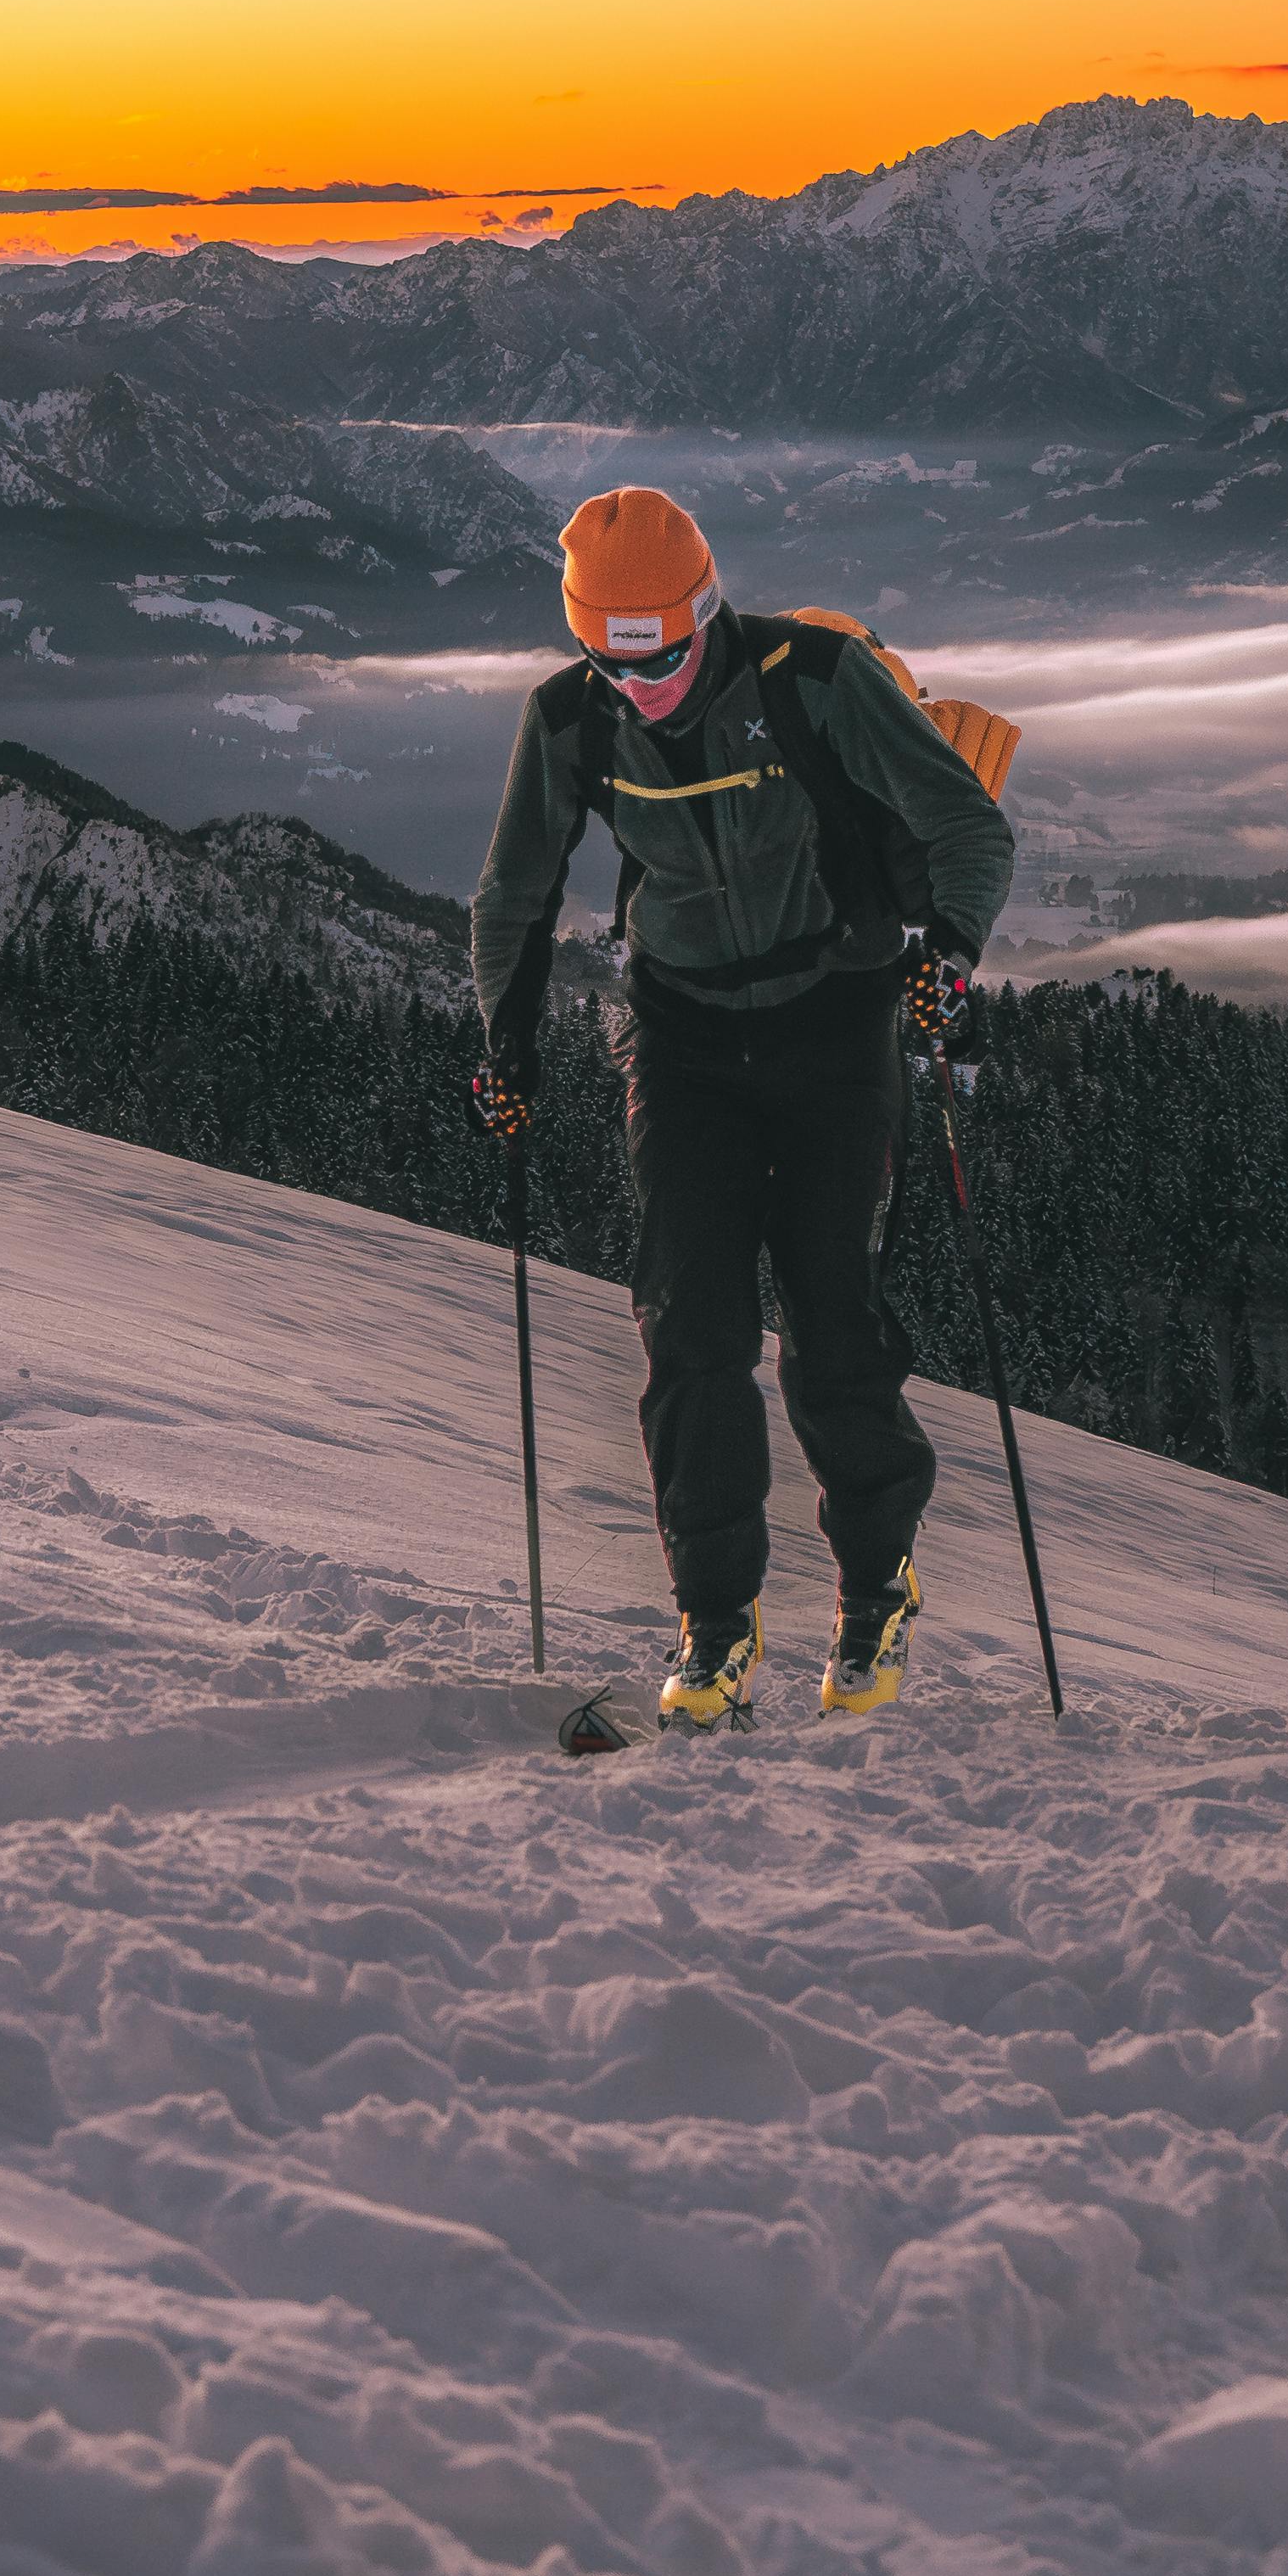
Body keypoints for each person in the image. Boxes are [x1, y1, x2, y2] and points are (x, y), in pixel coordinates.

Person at [468, 486, 1015, 1729]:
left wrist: (952, 955)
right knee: (692, 1335)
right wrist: (505, 1044)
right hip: (682, 1038)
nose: (647, 686)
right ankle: (718, 1623)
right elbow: (514, 894)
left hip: (835, 1022)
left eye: (665, 655)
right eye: (619, 663)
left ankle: (877, 1583)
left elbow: (965, 827)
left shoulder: (814, 678)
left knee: (833, 1329)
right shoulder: (569, 721)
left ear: (705, 609)